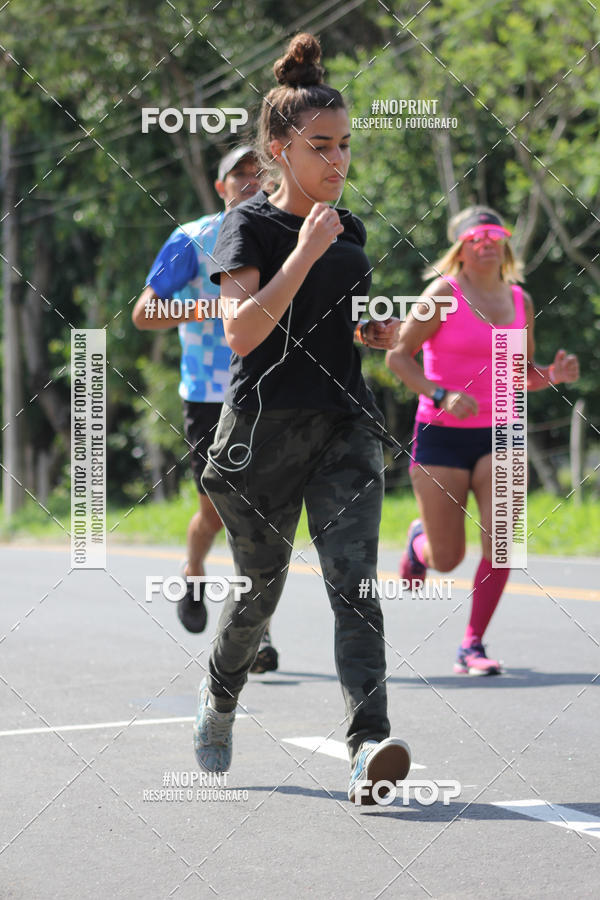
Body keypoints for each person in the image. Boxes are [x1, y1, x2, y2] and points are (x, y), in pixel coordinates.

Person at [192, 32, 408, 804]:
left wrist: (372, 334)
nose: (338, 162)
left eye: (346, 146)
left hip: (344, 421)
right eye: (321, 147)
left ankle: (368, 746)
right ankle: (220, 701)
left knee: (356, 585)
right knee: (260, 591)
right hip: (261, 432)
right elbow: (244, 331)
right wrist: (304, 256)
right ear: (280, 150)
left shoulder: (346, 230)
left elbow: (328, 322)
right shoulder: (248, 227)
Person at [386, 206, 579, 675]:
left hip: (503, 433)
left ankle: (471, 644)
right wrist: (440, 394)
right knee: (447, 558)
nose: (487, 241)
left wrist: (551, 374)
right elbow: (397, 356)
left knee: (505, 543)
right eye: (476, 236)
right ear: (461, 247)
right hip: (442, 436)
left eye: (495, 234)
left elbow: (520, 372)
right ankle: (420, 544)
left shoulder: (519, 300)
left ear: (505, 243)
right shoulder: (442, 294)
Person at [132, 147, 279, 673]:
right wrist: (212, 306)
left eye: (258, 172)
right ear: (221, 187)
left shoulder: (283, 233)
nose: (250, 181)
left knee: (258, 514)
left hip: (267, 391)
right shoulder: (192, 238)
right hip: (208, 395)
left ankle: (256, 636)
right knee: (216, 513)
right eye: (238, 175)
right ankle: (193, 569)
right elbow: (144, 312)